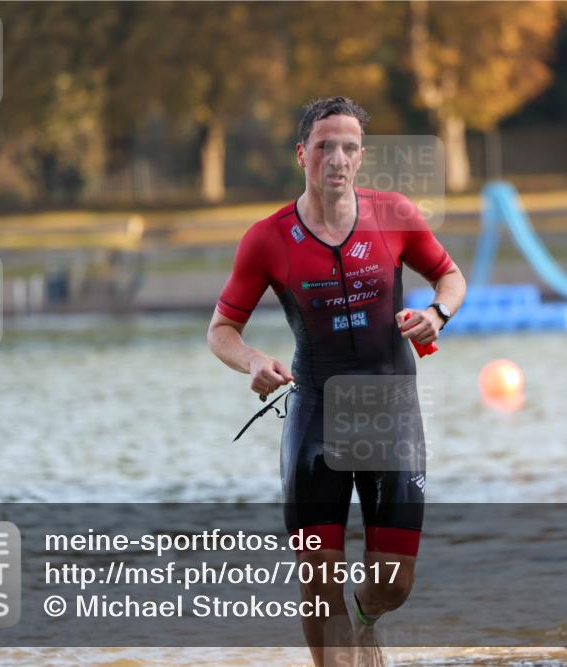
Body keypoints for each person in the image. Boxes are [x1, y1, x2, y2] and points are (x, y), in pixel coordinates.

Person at [207, 96, 466, 666]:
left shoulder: (394, 213)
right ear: (303, 154)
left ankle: (367, 619)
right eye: (325, 146)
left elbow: (449, 276)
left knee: (393, 583)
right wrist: (251, 360)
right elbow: (222, 329)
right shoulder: (267, 238)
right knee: (318, 586)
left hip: (390, 413)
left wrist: (436, 315)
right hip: (317, 416)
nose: (337, 158)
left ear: (361, 157)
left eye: (349, 147)